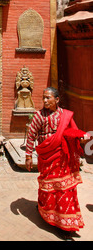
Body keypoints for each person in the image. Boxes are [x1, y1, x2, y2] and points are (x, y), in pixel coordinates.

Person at [25, 87, 90, 238]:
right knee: (47, 185)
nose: (45, 101)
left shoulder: (65, 116)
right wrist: (28, 156)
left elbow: (73, 131)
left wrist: (81, 138)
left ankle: (65, 222)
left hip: (62, 157)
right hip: (47, 156)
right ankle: (45, 210)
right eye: (44, 98)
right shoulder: (39, 117)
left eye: (48, 98)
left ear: (57, 100)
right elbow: (31, 136)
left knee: (65, 188)